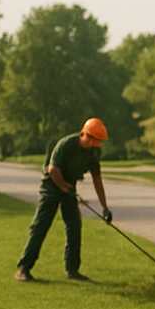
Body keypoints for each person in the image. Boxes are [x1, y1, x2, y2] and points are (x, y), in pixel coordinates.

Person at [14, 118, 112, 282]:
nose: (97, 146)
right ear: (86, 136)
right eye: (96, 141)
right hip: (51, 186)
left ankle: (72, 270)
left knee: (74, 227)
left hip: (69, 188)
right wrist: (62, 187)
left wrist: (105, 207)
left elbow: (97, 178)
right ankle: (23, 268)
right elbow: (53, 169)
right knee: (40, 226)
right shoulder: (66, 144)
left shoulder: (93, 152)